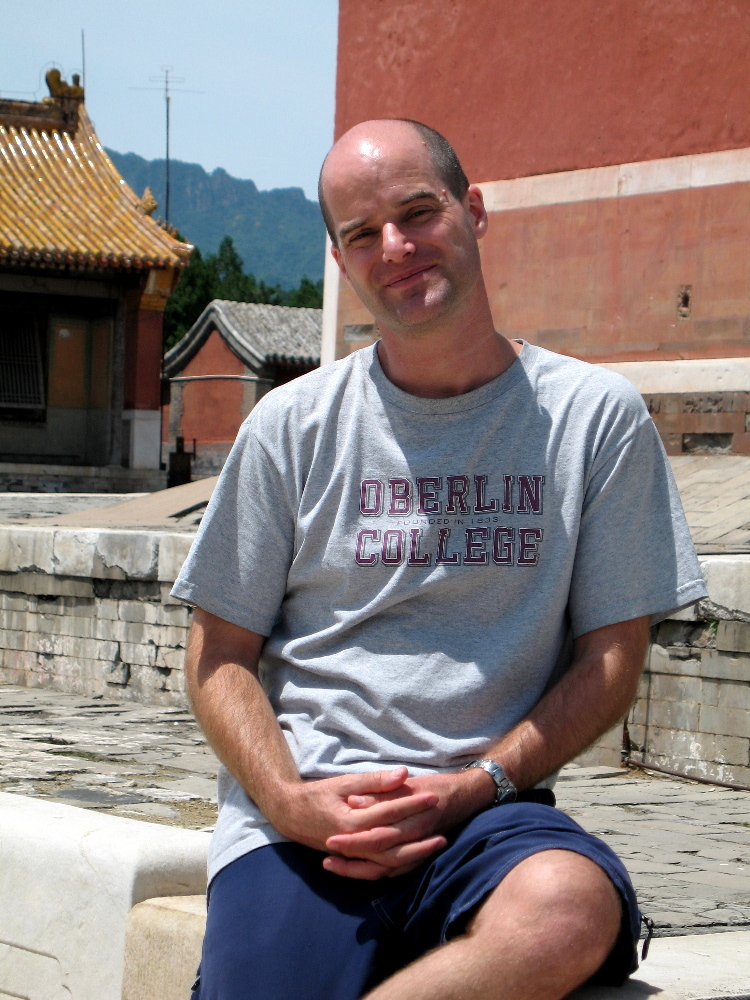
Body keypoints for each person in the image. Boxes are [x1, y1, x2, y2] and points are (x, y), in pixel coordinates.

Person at [173, 119, 707, 1000]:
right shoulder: (290, 427)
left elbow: (612, 658)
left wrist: (478, 783)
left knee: (572, 909)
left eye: (418, 212)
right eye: (361, 234)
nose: (397, 248)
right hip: (308, 818)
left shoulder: (593, 418)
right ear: (342, 262)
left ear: (474, 211)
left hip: (490, 815)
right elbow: (217, 653)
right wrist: (286, 801)